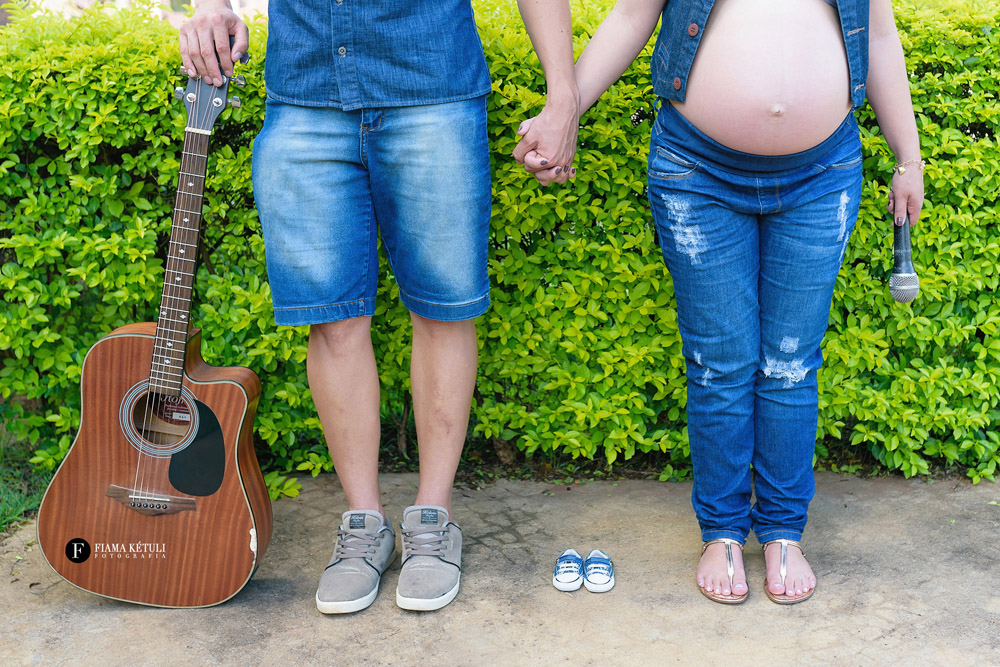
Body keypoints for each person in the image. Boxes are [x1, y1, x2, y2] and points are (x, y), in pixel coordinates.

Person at [515, 0, 924, 603]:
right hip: (697, 170)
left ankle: (784, 532)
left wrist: (908, 157)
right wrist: (563, 109)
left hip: (820, 174)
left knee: (790, 367)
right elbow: (632, 16)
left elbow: (881, 37)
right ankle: (723, 533)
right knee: (720, 364)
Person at [179, 0, 579, 613]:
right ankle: (363, 523)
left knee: (445, 309)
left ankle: (433, 520)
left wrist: (563, 98)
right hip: (306, 92)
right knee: (332, 320)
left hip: (433, 88)